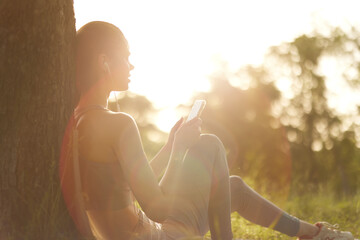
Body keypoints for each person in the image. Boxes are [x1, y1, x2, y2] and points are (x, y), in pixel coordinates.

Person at [59, 21, 354, 240]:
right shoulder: (119, 123)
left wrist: (168, 146)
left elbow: (123, 187)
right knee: (211, 145)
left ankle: (313, 235)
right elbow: (157, 208)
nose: (131, 65)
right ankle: (316, 236)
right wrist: (179, 150)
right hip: (156, 235)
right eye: (125, 56)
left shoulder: (79, 120)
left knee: (232, 187)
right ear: (104, 62)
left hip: (137, 232)